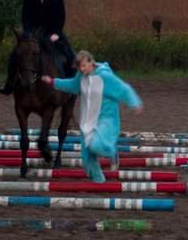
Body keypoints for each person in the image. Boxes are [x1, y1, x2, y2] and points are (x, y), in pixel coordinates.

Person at [42, 51, 143, 183]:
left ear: (91, 62)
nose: (82, 69)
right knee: (87, 158)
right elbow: (71, 85)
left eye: (84, 66)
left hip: (105, 119)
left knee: (96, 146)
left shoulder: (105, 76)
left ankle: (112, 153)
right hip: (87, 121)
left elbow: (123, 89)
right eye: (79, 67)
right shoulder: (80, 77)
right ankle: (99, 181)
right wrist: (53, 82)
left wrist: (134, 102)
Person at [0, 0, 76, 95]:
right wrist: (28, 31)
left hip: (52, 32)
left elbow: (61, 17)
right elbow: (26, 16)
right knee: (14, 55)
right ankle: (9, 83)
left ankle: (73, 86)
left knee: (70, 55)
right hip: (32, 32)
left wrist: (56, 33)